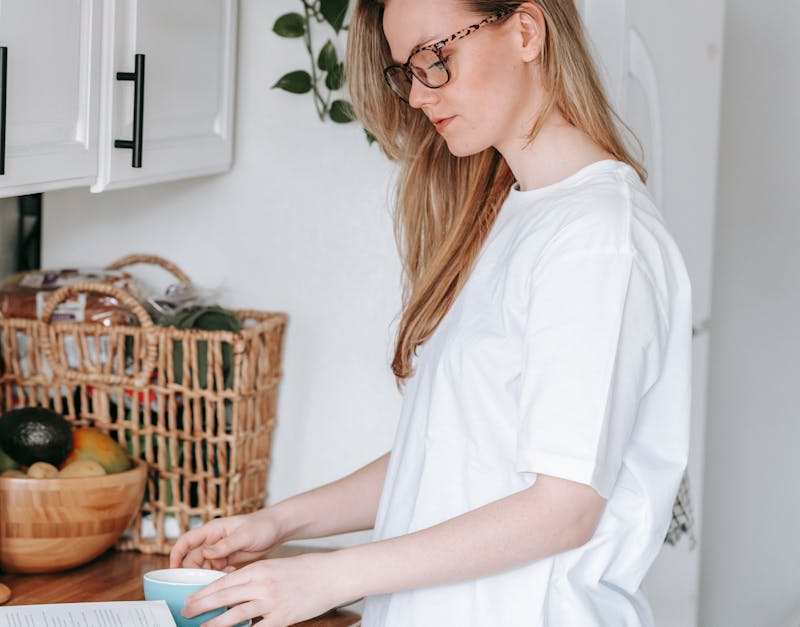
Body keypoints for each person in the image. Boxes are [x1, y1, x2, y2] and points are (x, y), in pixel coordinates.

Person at [169, 0, 692, 625]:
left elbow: (563, 507)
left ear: (526, 31)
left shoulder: (597, 238)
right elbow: (453, 450)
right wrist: (279, 522)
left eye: (435, 59)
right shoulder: (516, 214)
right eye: (406, 72)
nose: (418, 96)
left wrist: (327, 576)